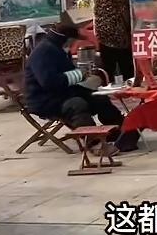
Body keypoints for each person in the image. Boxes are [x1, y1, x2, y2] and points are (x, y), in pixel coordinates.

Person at [24, 12, 140, 152]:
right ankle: (94, 143)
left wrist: (85, 81)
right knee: (77, 104)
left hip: (63, 93)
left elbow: (67, 77)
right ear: (68, 39)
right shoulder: (44, 51)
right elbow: (49, 82)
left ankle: (121, 132)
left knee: (98, 98)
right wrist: (79, 75)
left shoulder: (58, 48)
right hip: (44, 99)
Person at [94, 0, 134, 83]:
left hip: (102, 34)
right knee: (126, 66)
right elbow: (125, 12)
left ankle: (108, 88)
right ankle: (128, 85)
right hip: (117, 34)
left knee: (108, 68)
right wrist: (130, 28)